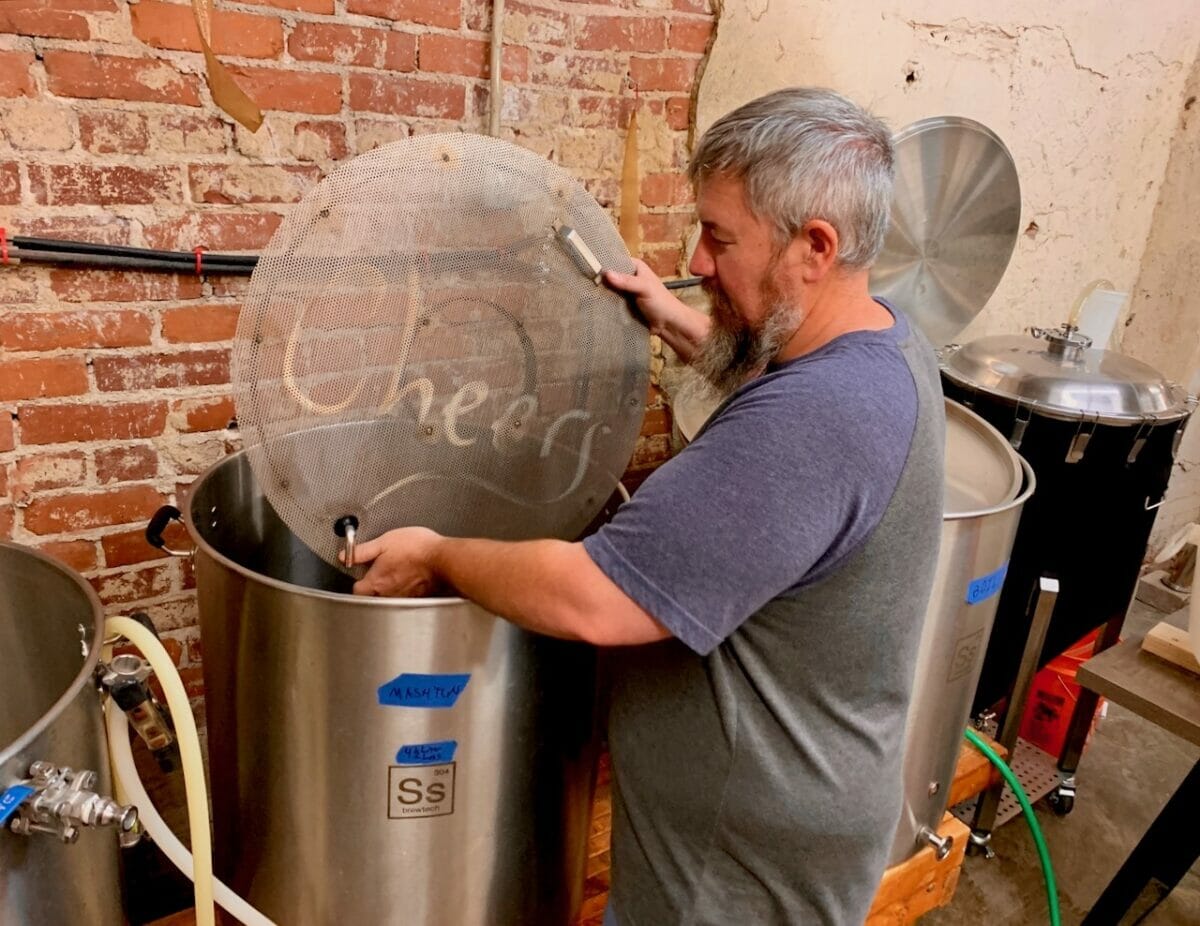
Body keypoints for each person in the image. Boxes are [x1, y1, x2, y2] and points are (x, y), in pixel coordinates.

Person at [352, 87, 945, 925]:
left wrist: (440, 553)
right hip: (784, 817)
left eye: (720, 236)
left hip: (732, 875)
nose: (697, 261)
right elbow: (780, 386)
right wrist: (674, 321)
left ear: (815, 247)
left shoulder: (818, 422)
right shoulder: (879, 345)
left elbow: (590, 599)